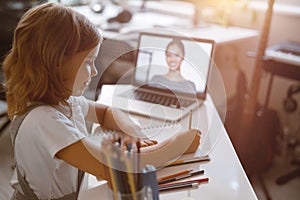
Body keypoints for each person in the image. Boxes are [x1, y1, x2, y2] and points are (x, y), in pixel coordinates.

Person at [3, 2, 200, 199]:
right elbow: (117, 170)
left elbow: (105, 112)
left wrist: (136, 134)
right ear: (57, 63)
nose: (95, 71)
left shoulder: (65, 101)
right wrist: (176, 145)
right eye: (88, 62)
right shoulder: (43, 120)